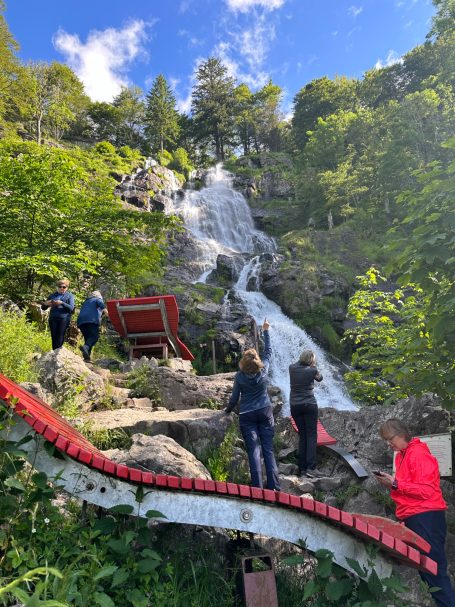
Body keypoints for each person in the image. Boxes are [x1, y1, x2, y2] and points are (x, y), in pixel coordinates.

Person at [376, 418, 455, 607]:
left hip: (427, 516)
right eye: (385, 440)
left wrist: (395, 483)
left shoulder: (418, 453)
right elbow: (409, 490)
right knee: (427, 572)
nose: (388, 444)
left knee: (434, 571)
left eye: (390, 438)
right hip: (415, 516)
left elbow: (426, 491)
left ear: (403, 434)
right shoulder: (401, 454)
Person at [225, 319, 280, 491]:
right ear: (257, 360)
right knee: (268, 449)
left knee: (253, 451)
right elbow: (269, 351)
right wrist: (266, 331)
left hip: (247, 414)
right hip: (264, 411)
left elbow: (234, 399)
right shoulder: (263, 371)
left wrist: (226, 411)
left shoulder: (239, 376)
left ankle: (257, 489)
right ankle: (274, 488)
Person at [289, 349, 324, 478]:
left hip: (295, 406)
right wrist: (314, 366)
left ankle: (302, 468)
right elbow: (320, 378)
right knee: (311, 436)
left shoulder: (291, 368)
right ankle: (311, 468)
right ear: (311, 360)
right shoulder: (312, 370)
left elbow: (298, 365)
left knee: (303, 436)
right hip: (309, 405)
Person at [41, 278, 75, 350]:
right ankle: (54, 352)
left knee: (60, 336)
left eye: (64, 287)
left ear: (67, 288)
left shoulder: (70, 296)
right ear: (57, 287)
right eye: (60, 286)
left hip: (64, 319)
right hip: (53, 318)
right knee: (54, 336)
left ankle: (58, 353)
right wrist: (46, 304)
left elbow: (71, 308)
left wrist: (62, 303)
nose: (61, 288)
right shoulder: (52, 295)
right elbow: (43, 308)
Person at [77, 291, 106, 362]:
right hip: (91, 320)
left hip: (81, 322)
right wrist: (109, 314)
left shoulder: (86, 302)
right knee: (94, 337)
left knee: (88, 339)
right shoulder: (97, 299)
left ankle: (87, 358)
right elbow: (102, 306)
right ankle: (85, 348)